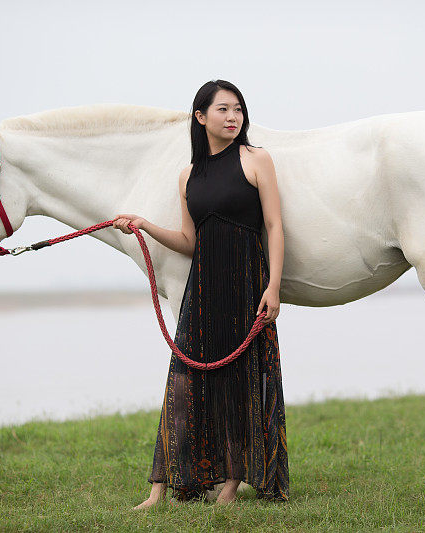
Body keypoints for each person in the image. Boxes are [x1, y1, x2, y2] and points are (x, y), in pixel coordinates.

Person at [113, 80, 289, 508]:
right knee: (183, 381)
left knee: (238, 383)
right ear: (200, 117)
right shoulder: (188, 176)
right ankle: (160, 488)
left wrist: (274, 287)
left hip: (246, 284)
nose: (233, 117)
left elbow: (274, 226)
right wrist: (145, 224)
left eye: (239, 110)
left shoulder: (256, 159)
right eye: (224, 110)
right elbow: (191, 241)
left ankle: (231, 483)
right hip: (202, 289)